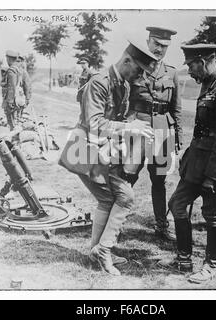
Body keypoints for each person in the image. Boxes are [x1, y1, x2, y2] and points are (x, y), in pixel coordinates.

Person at [59, 40, 157, 276]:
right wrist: (128, 127)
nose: (140, 76)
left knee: (110, 199)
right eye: (138, 70)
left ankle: (98, 250)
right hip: (86, 150)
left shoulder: (122, 83)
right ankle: (103, 251)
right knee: (125, 197)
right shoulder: (99, 83)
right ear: (126, 61)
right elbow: (94, 124)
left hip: (103, 151)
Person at [158, 44, 216, 284]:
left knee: (211, 214)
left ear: (203, 61)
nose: (190, 72)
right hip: (197, 162)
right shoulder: (208, 82)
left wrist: (212, 177)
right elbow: (202, 130)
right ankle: (184, 259)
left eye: (191, 65)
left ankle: (210, 266)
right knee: (177, 203)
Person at [126, 26, 183, 241]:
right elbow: (124, 100)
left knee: (159, 181)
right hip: (138, 128)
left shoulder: (172, 72)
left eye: (165, 46)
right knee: (128, 177)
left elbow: (176, 109)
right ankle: (117, 221)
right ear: (148, 41)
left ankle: (161, 225)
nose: (160, 49)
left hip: (162, 131)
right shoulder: (135, 67)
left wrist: (177, 137)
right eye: (157, 44)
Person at [1, 50, 21, 131]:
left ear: (9, 59)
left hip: (11, 98)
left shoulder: (11, 71)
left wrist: (9, 101)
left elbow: (12, 87)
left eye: (7, 59)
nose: (6, 60)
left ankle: (13, 135)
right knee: (12, 118)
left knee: (10, 118)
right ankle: (13, 134)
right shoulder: (16, 69)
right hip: (14, 97)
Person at [17, 55, 32, 121]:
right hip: (16, 95)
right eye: (17, 61)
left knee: (19, 110)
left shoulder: (23, 72)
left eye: (19, 61)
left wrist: (27, 98)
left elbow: (27, 86)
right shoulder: (13, 71)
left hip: (20, 95)